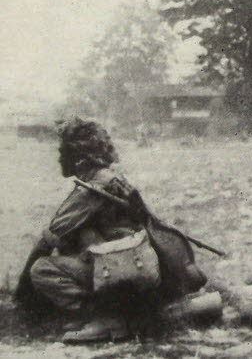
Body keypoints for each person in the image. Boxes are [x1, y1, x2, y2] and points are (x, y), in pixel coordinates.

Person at [14, 117, 208, 343]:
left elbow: (48, 240)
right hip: (140, 268)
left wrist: (21, 292)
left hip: (126, 270)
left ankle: (107, 319)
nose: (59, 157)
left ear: (78, 157)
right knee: (79, 239)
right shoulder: (113, 178)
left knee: (41, 269)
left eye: (62, 150)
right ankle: (118, 313)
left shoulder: (92, 188)